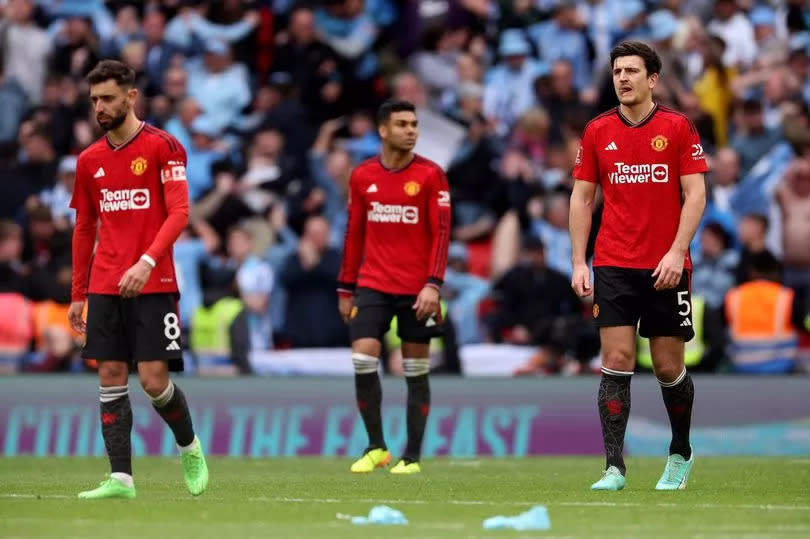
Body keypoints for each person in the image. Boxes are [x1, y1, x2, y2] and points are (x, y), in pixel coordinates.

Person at [569, 42, 707, 491]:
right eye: (616, 71)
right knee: (616, 360)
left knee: (667, 367)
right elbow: (582, 198)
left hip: (666, 264)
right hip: (612, 262)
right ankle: (614, 467)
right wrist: (578, 260)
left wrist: (675, 251)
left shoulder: (678, 127)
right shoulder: (596, 131)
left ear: (652, 79)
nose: (623, 78)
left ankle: (680, 453)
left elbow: (696, 195)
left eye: (632, 71)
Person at [68, 60, 208, 499]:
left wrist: (147, 261)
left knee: (152, 380)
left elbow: (180, 212)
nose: (100, 107)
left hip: (155, 280)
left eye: (107, 98)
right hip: (105, 282)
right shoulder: (89, 161)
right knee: (109, 372)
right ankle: (121, 478)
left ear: (131, 97)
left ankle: (189, 446)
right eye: (94, 100)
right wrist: (77, 293)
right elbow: (84, 228)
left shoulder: (165, 147)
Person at [337, 99, 451, 474]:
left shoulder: (432, 175)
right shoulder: (362, 176)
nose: (411, 130)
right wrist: (345, 288)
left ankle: (412, 456)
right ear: (383, 130)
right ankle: (376, 446)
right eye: (402, 124)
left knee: (415, 368)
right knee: (363, 355)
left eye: (414, 124)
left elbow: (442, 234)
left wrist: (433, 284)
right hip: (373, 285)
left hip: (418, 289)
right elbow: (355, 234)